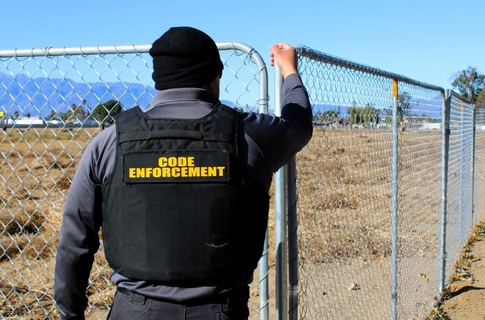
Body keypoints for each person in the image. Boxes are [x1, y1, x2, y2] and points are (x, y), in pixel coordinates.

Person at [54, 26, 312, 320]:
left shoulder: (110, 142)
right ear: (215, 78)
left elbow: (75, 239)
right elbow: (299, 125)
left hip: (134, 311)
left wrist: (69, 313)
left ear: (158, 80)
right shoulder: (248, 135)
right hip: (221, 310)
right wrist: (289, 71)